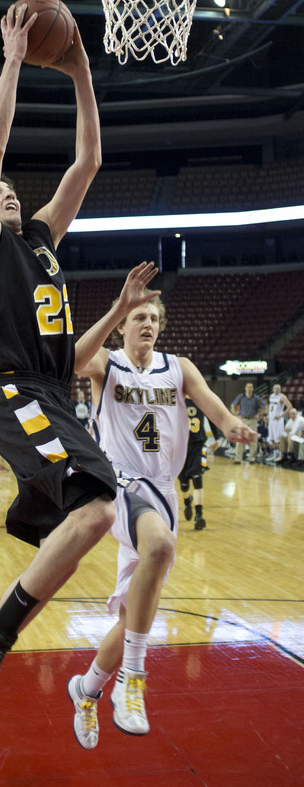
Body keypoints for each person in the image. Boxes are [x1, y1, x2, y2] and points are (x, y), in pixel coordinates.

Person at [0, 2, 122, 748]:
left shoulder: (41, 237)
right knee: (98, 511)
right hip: (15, 392)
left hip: (57, 398)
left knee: (84, 524)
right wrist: (14, 59)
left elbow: (88, 163)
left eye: (16, 189)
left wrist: (79, 72)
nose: (8, 188)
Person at [66, 269, 257, 750]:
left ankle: (86, 689)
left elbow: (215, 407)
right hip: (121, 484)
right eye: (138, 318)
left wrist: (233, 425)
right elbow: (69, 362)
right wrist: (114, 309)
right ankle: (133, 678)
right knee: (161, 545)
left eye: (152, 317)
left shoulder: (180, 367)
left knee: (133, 612)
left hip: (163, 492)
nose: (146, 324)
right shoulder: (106, 365)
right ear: (124, 326)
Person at [178, 397, 220, 531]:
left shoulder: (201, 400)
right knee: (184, 484)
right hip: (180, 447)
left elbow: (212, 418)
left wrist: (217, 438)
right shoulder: (176, 400)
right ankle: (186, 501)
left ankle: (199, 516)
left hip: (198, 445)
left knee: (197, 479)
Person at [230, 383, 266, 464]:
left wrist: (259, 414)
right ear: (245, 388)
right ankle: (238, 459)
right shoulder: (241, 397)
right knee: (240, 439)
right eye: (248, 387)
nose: (249, 388)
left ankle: (252, 458)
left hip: (252, 420)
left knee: (253, 439)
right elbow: (233, 405)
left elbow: (264, 406)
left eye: (251, 387)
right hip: (243, 420)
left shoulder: (256, 398)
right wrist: (236, 415)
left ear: (253, 389)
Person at [266, 383, 291, 462]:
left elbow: (290, 406)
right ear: (273, 389)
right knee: (272, 439)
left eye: (278, 388)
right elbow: (270, 407)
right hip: (271, 420)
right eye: (275, 388)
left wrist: (281, 416)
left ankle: (281, 455)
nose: (276, 390)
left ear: (280, 389)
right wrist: (267, 415)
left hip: (278, 420)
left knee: (278, 439)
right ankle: (275, 454)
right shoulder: (271, 396)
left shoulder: (282, 397)